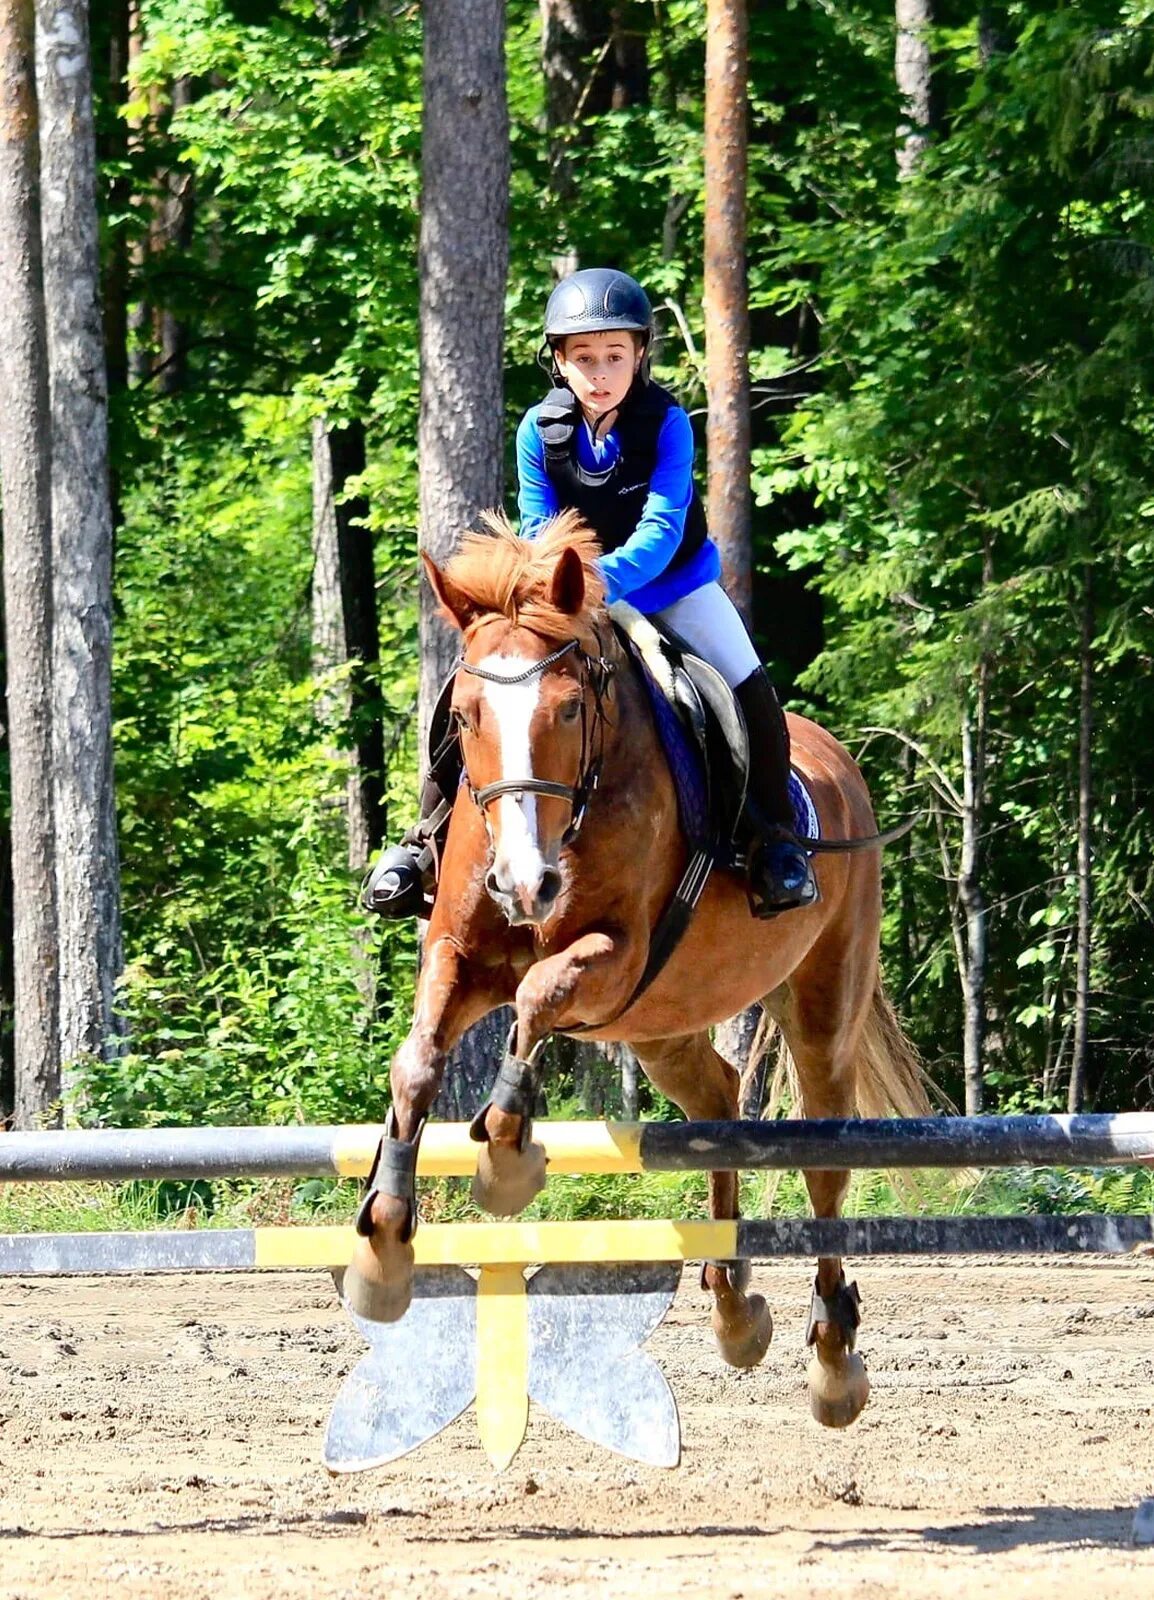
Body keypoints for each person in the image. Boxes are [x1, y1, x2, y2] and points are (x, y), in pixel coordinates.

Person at [363, 266, 816, 919]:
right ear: (560, 363)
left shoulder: (666, 424)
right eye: (583, 358)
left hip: (673, 587)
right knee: (472, 690)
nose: (600, 372)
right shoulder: (537, 432)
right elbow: (538, 527)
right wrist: (559, 590)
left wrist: (601, 582)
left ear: (639, 356)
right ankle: (422, 844)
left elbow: (661, 530)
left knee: (747, 687)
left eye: (614, 356)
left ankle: (775, 842)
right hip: (567, 597)